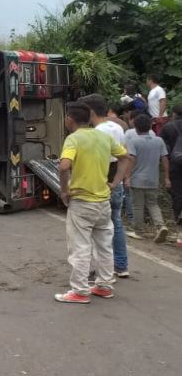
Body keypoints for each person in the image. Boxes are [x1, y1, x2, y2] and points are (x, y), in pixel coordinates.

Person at [56, 102, 129, 304]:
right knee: (104, 246)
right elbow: (125, 158)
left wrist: (64, 191)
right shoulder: (104, 137)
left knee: (80, 246)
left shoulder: (73, 139)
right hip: (103, 200)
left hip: (82, 201)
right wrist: (115, 182)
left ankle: (80, 290)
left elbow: (64, 166)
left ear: (69, 119)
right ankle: (104, 286)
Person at [79, 93, 130, 278]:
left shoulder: (97, 132)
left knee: (97, 229)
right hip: (116, 178)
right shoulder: (117, 127)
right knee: (116, 224)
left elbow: (94, 160)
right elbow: (124, 155)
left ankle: (100, 270)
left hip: (102, 180)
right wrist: (118, 181)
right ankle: (121, 265)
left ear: (91, 111)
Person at [126, 113, 170, 243]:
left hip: (137, 179)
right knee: (153, 204)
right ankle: (160, 226)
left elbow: (131, 159)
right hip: (153, 178)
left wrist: (127, 177)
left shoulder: (133, 141)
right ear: (150, 126)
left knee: (137, 206)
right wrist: (166, 177)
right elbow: (165, 158)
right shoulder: (159, 140)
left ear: (136, 127)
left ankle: (138, 230)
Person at [124, 110, 155, 235]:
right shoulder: (153, 133)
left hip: (133, 169)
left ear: (133, 120)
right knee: (150, 200)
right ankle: (149, 221)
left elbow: (125, 151)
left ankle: (134, 223)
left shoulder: (129, 133)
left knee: (131, 197)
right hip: (150, 171)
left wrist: (126, 175)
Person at [160, 104, 182, 247]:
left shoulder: (168, 128)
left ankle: (179, 228)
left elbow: (163, 151)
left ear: (173, 114)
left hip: (175, 166)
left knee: (178, 195)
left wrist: (165, 174)